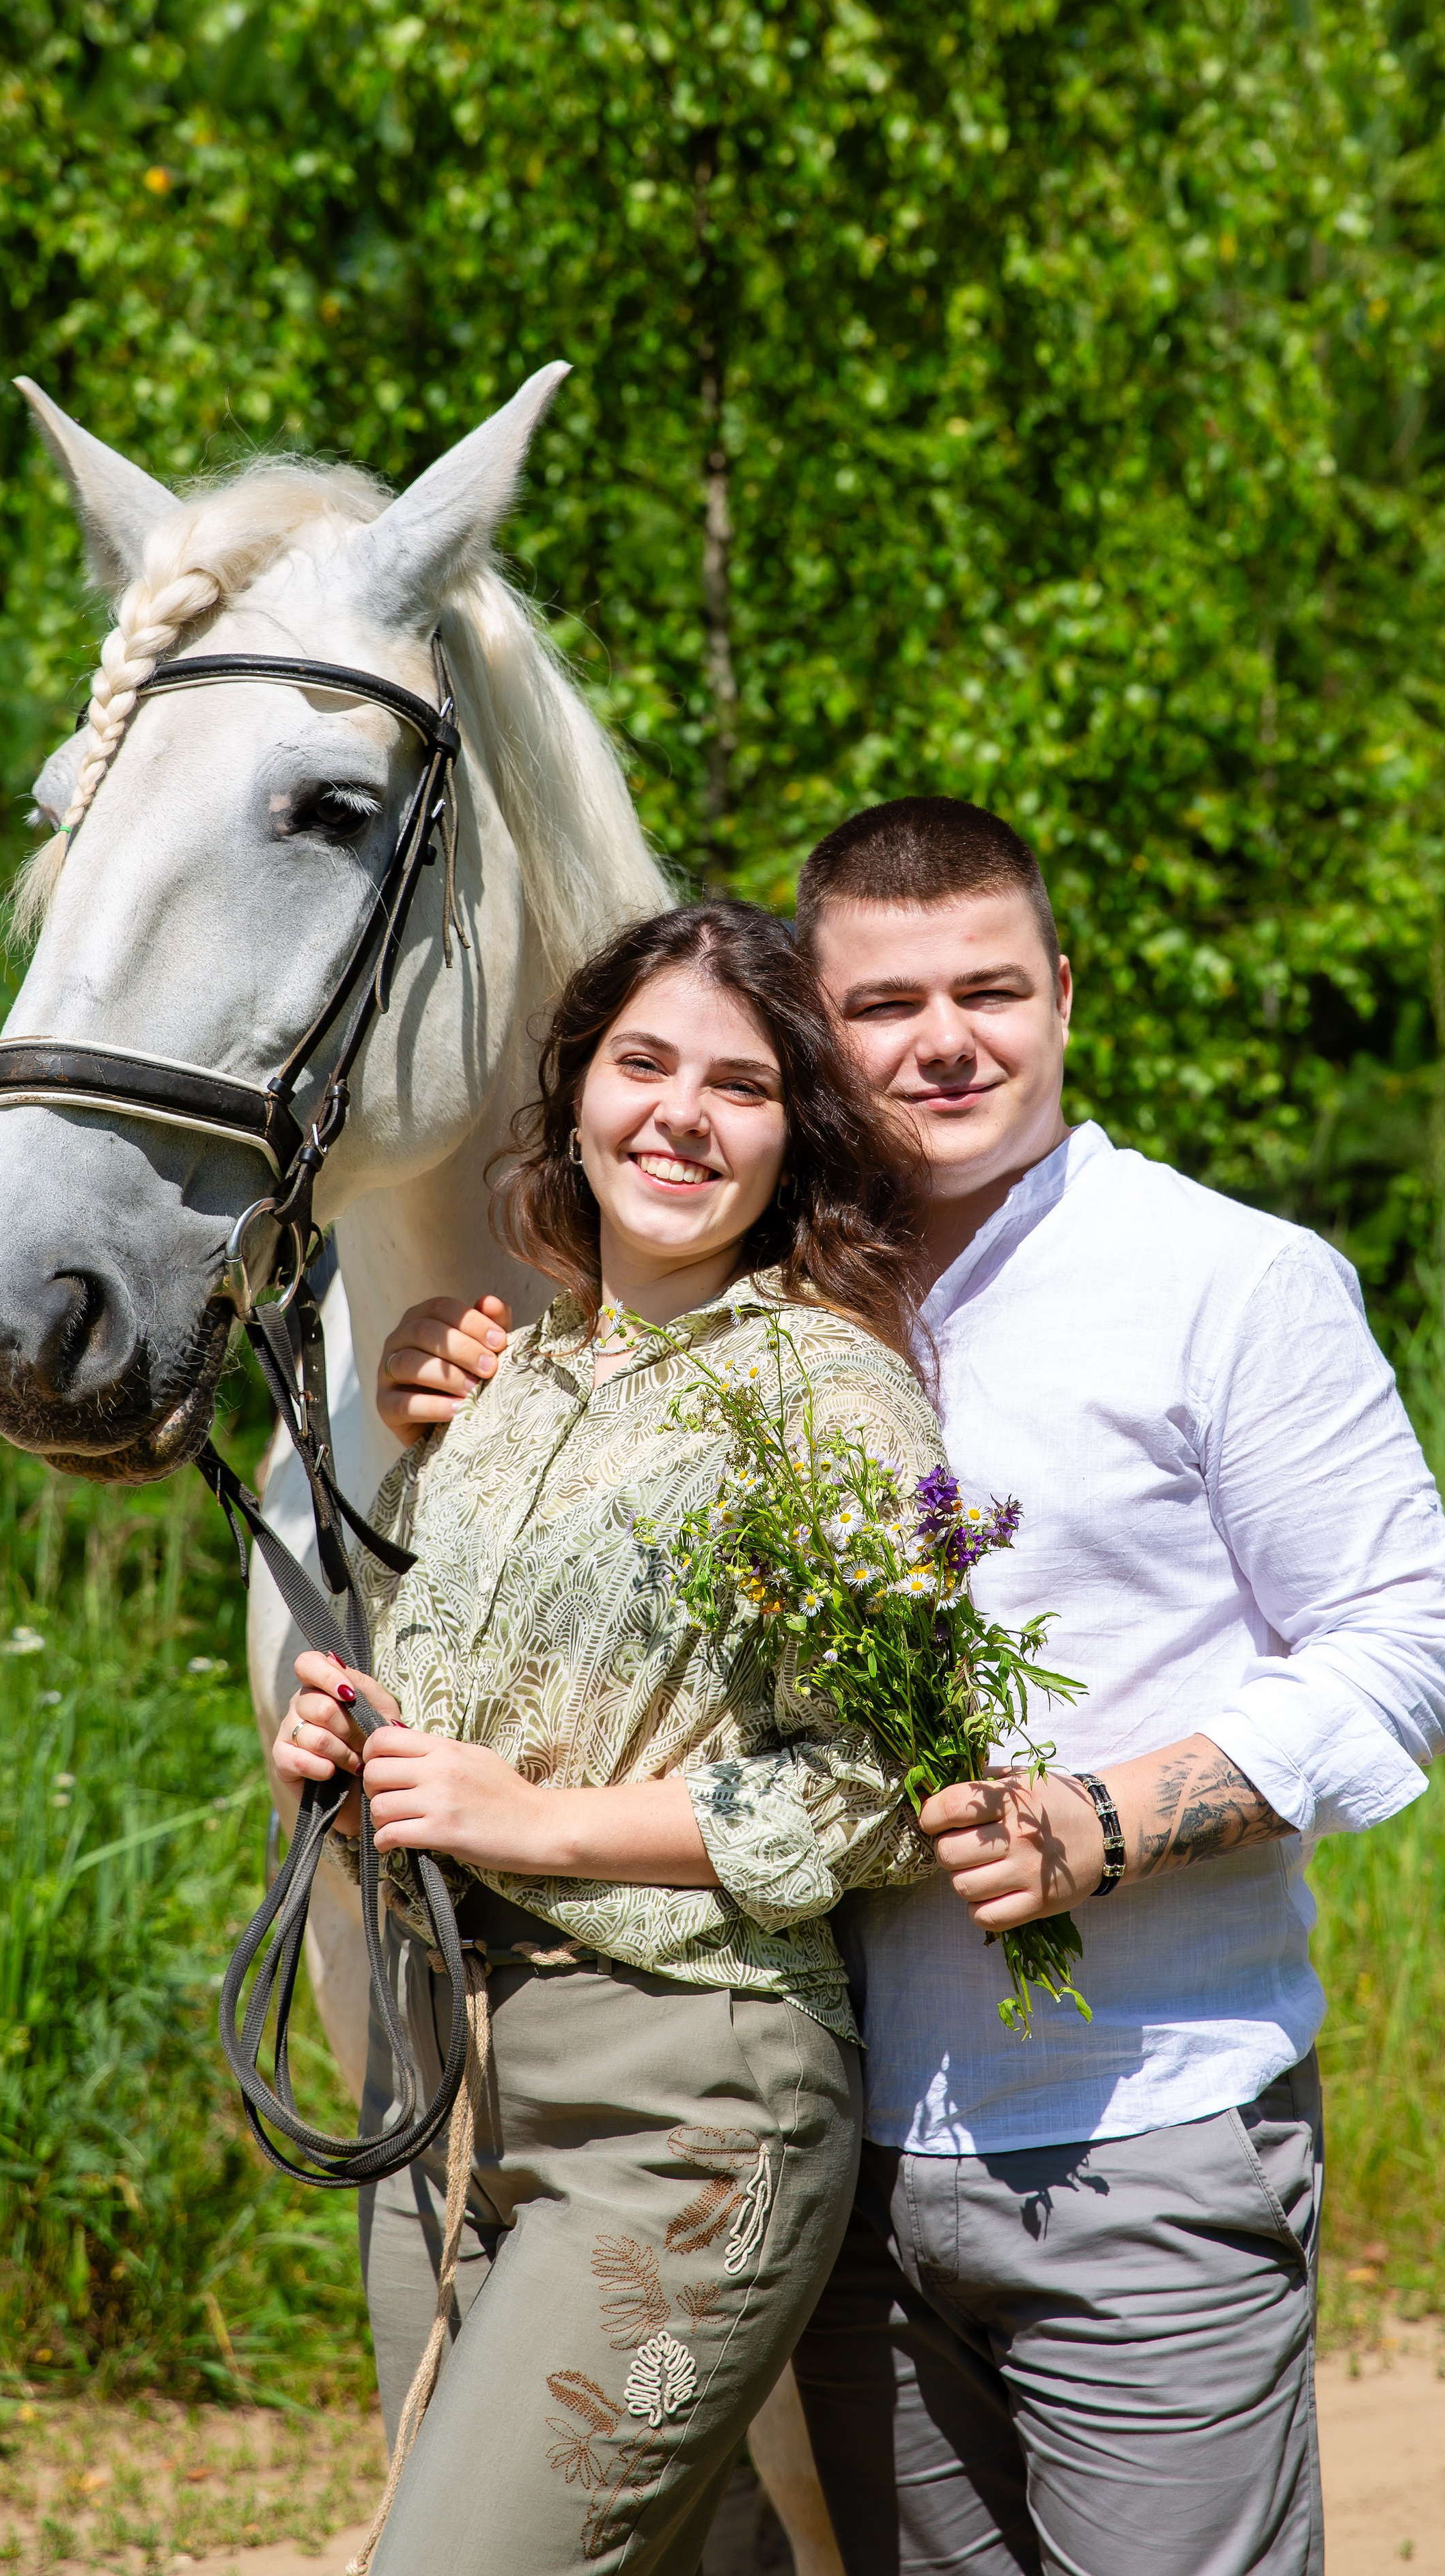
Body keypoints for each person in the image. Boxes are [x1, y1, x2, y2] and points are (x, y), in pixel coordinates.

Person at [377, 801, 1445, 2576]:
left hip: (1144, 2125)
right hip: (859, 2148)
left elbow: (1414, 1642)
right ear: (821, 1032)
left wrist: (1110, 1819)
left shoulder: (1222, 1279)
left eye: (991, 989)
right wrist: (476, 1388)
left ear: (1064, 992)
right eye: (885, 1005)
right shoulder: (752, 1282)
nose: (945, 1040)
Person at [276, 898, 949, 2576]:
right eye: (642, 1063)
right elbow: (479, 1715)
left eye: (738, 1085)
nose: (679, 1115)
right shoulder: (504, 1382)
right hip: (448, 2089)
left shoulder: (828, 1390)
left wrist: (530, 1823)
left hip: (683, 2128)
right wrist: (355, 1742)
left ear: (793, 1136)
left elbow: (875, 1781)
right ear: (573, 1090)